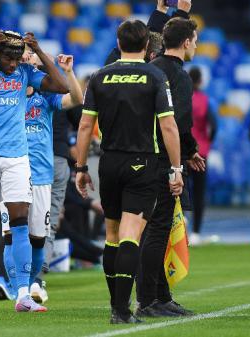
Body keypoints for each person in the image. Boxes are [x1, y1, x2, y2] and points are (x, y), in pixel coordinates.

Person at [74, 20, 182, 324]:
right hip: (142, 164)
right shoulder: (155, 76)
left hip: (109, 163)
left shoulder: (99, 76)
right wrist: (176, 168)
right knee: (130, 236)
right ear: (147, 46)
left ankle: (115, 305)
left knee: (111, 235)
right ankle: (122, 311)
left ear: (119, 43)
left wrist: (81, 167)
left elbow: (85, 126)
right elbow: (168, 126)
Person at [0, 30, 68, 312]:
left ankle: (22, 295)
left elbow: (62, 86)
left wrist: (39, 52)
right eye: (9, 58)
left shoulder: (24, 74)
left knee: (20, 224)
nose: (13, 64)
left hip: (18, 156)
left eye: (18, 59)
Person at [0, 52, 83, 304]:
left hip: (43, 174)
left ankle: (31, 283)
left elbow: (77, 98)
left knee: (38, 236)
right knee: (11, 233)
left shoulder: (46, 98)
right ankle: (18, 287)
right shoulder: (5, 99)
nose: (31, 70)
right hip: (13, 173)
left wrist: (67, 72)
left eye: (34, 65)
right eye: (26, 64)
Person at [136, 17, 205, 318]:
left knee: (152, 230)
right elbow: (176, 123)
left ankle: (160, 295)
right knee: (158, 229)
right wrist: (187, 153)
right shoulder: (179, 76)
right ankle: (148, 300)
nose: (196, 46)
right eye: (195, 40)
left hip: (138, 158)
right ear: (187, 41)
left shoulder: (150, 68)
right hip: (164, 161)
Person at [188, 67, 217, 245]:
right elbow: (213, 126)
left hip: (183, 152)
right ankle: (196, 233)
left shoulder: (180, 97)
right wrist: (208, 141)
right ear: (200, 81)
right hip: (201, 152)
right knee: (199, 194)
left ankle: (178, 230)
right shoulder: (205, 100)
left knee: (179, 192)